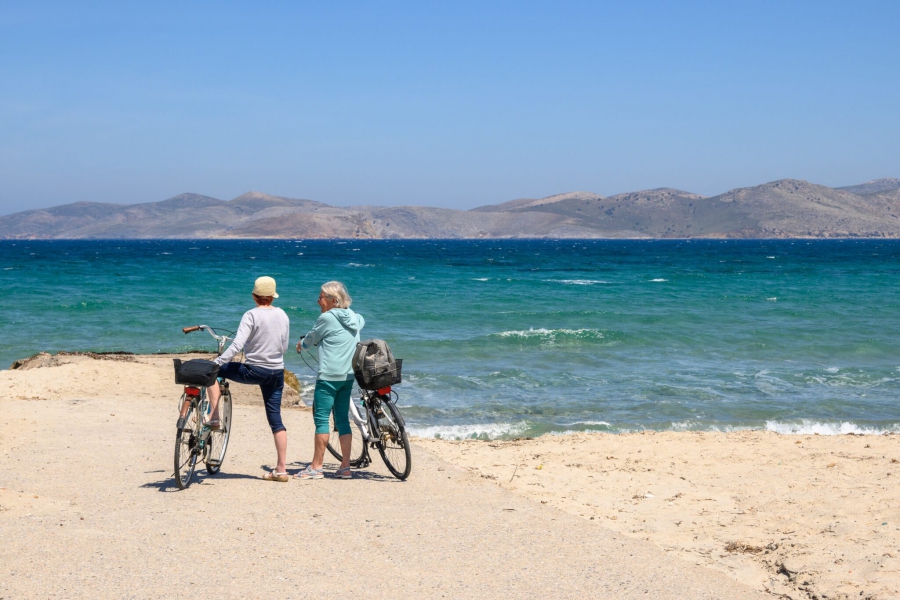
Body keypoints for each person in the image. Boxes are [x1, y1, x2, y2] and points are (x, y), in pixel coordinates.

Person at [207, 276, 291, 482]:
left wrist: (219, 361)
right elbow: (284, 347)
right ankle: (281, 469)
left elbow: (237, 345)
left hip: (255, 370)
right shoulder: (282, 314)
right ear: (272, 296)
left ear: (254, 296)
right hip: (277, 372)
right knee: (275, 419)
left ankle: (215, 416)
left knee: (214, 372)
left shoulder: (251, 315)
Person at [294, 281, 365, 480]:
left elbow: (311, 339)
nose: (318, 300)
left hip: (329, 376)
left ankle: (316, 467)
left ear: (334, 301)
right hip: (348, 375)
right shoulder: (354, 316)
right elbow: (361, 321)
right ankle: (345, 467)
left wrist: (301, 344)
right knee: (342, 419)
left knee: (322, 419)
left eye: (321, 297)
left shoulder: (327, 317)